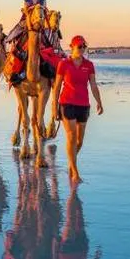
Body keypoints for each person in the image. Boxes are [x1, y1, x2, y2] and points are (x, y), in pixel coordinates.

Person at [51, 35, 104, 184]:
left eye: (83, 46)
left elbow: (93, 85)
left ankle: (71, 162)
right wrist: (54, 107)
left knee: (80, 141)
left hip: (83, 104)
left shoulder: (89, 65)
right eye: (79, 46)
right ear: (72, 47)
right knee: (71, 136)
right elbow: (56, 88)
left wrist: (99, 102)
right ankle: (74, 172)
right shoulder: (64, 64)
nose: (81, 49)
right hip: (67, 103)